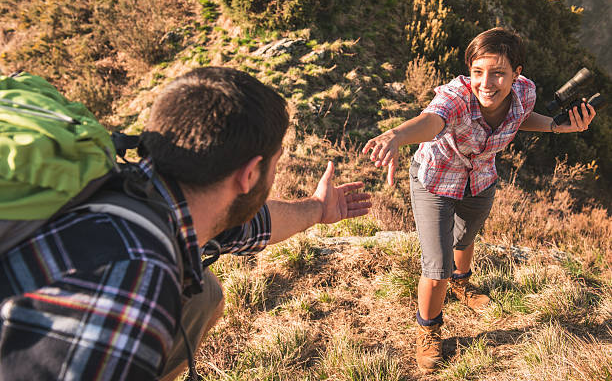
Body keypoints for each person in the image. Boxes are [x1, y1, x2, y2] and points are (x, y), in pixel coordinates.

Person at [0, 67, 372, 380]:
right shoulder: (136, 277)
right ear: (249, 175)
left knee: (202, 294)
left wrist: (318, 208)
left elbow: (247, 224)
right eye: (275, 165)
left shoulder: (140, 188)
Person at [362, 27, 596, 373]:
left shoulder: (525, 92)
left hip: (480, 178)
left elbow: (520, 118)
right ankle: (428, 330)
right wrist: (398, 134)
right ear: (469, 71)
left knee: (466, 238)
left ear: (517, 74)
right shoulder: (456, 98)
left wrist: (559, 127)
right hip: (436, 181)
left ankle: (462, 283)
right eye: (477, 72)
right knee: (436, 266)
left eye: (498, 73)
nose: (486, 83)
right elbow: (431, 121)